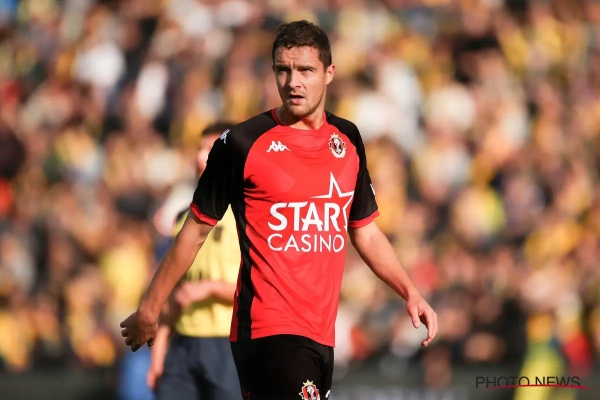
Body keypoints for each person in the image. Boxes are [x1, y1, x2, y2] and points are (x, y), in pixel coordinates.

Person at [121, 20, 439, 399]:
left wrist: (410, 292)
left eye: (305, 70)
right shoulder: (241, 143)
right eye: (283, 70)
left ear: (329, 73)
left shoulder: (348, 139)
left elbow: (366, 232)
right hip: (266, 328)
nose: (293, 82)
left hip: (320, 332)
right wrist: (150, 308)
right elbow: (194, 230)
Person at [146, 122, 242, 400]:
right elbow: (171, 291)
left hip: (228, 344)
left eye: (211, 149)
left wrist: (210, 288)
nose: (201, 157)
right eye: (199, 149)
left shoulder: (249, 216)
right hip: (183, 345)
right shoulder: (182, 220)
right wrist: (158, 356)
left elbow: (265, 289)